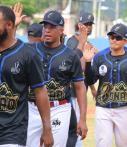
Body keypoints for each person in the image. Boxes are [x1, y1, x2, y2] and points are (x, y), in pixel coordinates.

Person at [0, 6, 54, 147]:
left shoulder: (28, 55)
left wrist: (47, 129)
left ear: (9, 25)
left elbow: (39, 91)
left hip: (11, 135)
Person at [24, 10, 88, 147]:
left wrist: (82, 119)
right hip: (32, 107)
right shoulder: (30, 50)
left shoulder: (70, 56)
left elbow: (80, 88)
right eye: (45, 27)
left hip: (59, 108)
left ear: (61, 30)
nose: (47, 30)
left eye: (52, 27)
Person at [84, 23, 127, 147]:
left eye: (117, 37)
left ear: (125, 40)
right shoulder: (100, 58)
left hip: (124, 108)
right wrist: (87, 62)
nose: (113, 40)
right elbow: (91, 80)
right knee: (103, 143)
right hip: (103, 108)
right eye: (111, 37)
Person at [66, 12, 97, 147]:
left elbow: (87, 72)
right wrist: (88, 52)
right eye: (86, 24)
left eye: (90, 24)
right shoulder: (73, 41)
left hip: (81, 90)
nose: (88, 27)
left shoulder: (86, 43)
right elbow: (81, 67)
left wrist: (92, 88)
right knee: (76, 128)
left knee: (77, 128)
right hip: (73, 92)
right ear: (79, 25)